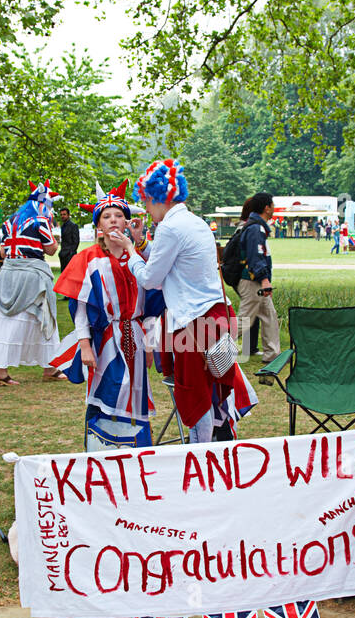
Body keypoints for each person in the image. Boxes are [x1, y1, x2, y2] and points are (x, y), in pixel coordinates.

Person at [109, 158, 256, 444]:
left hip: (191, 321)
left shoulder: (170, 228)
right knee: (208, 387)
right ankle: (216, 437)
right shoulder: (195, 222)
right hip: (213, 316)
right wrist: (141, 243)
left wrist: (130, 250)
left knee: (193, 393)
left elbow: (151, 279)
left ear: (156, 198)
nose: (146, 209)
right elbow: (173, 263)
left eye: (147, 202)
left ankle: (200, 449)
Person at [53, 185, 165, 447]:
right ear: (98, 226)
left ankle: (137, 450)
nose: (113, 219)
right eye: (106, 216)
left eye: (118, 215)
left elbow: (150, 305)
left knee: (135, 393)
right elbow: (80, 308)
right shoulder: (88, 259)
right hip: (105, 340)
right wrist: (85, 346)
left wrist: (149, 343)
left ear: (127, 222)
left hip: (135, 337)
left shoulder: (136, 259)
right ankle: (100, 448)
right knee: (106, 392)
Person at [0, 181, 65, 386]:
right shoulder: (40, 221)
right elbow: (51, 250)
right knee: (42, 317)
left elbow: (2, 251)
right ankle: (48, 367)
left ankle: (41, 367)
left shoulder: (10, 222)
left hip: (8, 273)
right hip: (32, 275)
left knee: (8, 319)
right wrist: (56, 238)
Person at [236, 192, 280, 363]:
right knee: (244, 321)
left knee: (269, 316)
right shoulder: (255, 228)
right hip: (253, 282)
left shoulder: (257, 226)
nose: (274, 208)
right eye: (272, 205)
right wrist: (264, 279)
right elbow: (256, 256)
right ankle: (214, 348)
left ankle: (272, 356)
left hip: (257, 282)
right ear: (266, 208)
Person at [57, 205, 79, 272]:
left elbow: (76, 241)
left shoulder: (73, 226)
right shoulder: (63, 226)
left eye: (64, 214)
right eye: (61, 215)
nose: (62, 216)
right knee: (63, 275)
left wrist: (71, 253)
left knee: (70, 274)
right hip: (63, 255)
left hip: (70, 255)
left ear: (68, 215)